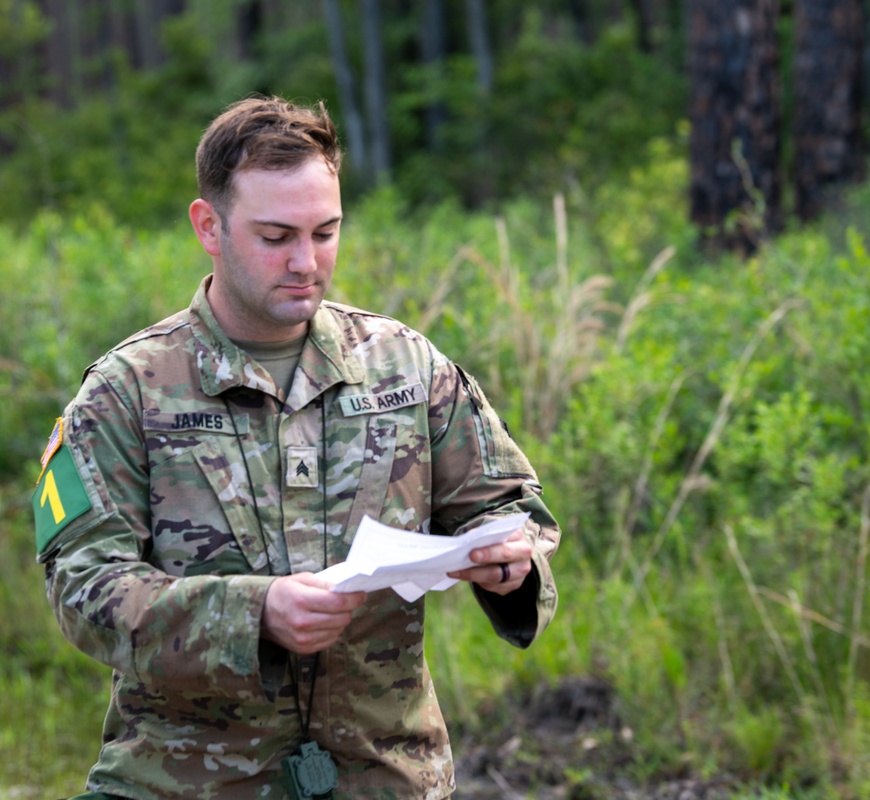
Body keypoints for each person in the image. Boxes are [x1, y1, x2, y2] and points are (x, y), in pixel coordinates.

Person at [32, 95, 559, 800]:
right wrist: (256, 613)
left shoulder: (407, 369)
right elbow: (83, 587)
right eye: (276, 236)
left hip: (383, 777)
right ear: (208, 226)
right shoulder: (126, 392)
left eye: (326, 232)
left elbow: (512, 509)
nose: (306, 262)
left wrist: (509, 562)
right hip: (186, 783)